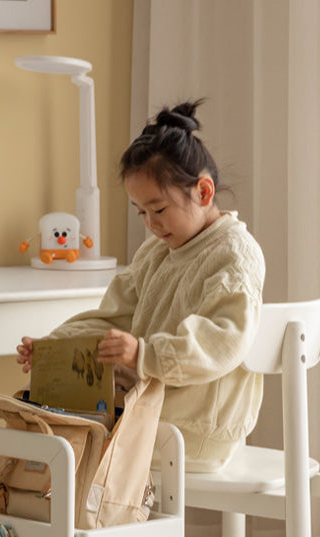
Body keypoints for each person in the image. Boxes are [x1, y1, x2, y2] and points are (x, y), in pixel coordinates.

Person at [16, 100, 265, 472]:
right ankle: (60, 522)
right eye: (141, 212)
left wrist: (144, 355)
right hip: (155, 414)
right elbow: (110, 320)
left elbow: (221, 340)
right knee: (45, 423)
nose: (150, 223)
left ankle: (81, 527)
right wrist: (55, 349)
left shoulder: (232, 254)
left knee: (64, 446)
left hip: (195, 427)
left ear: (204, 192)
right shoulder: (157, 251)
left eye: (159, 210)